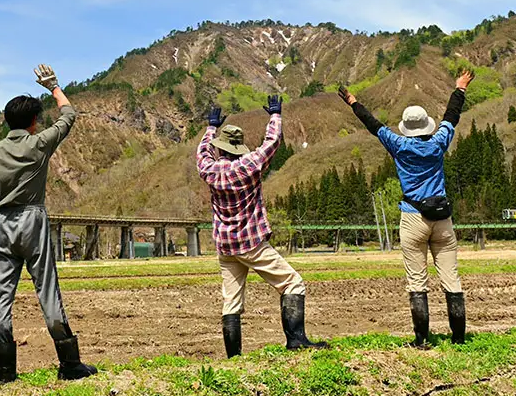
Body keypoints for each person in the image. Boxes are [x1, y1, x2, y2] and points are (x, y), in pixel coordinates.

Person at [0, 65, 96, 383]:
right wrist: (54, 87)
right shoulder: (39, 143)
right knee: (47, 290)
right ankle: (69, 365)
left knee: (1, 297)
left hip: (2, 224)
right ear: (32, 122)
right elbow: (69, 117)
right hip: (33, 219)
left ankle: (6, 373)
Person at [338, 70, 474, 347]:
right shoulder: (439, 142)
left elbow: (373, 124)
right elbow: (451, 116)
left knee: (416, 280)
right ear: (426, 125)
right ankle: (459, 339)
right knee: (451, 278)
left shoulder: (398, 144)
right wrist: (460, 88)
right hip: (442, 217)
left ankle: (421, 340)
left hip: (412, 217)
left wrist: (353, 102)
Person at [197, 95, 326, 357]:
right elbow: (272, 144)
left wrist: (211, 127)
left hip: (225, 247)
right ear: (238, 147)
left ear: (220, 148)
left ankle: (234, 357)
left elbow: (201, 153)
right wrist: (275, 115)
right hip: (251, 242)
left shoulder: (209, 170)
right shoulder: (248, 166)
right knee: (293, 284)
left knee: (231, 301)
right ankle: (296, 340)